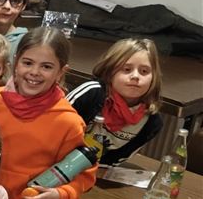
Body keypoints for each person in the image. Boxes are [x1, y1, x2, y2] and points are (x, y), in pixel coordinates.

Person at [67, 38, 163, 167]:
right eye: (127, 69)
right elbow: (54, 127)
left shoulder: (152, 122)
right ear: (109, 72)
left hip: (95, 171)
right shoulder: (91, 92)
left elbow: (118, 158)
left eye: (144, 71)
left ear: (154, 77)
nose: (135, 76)